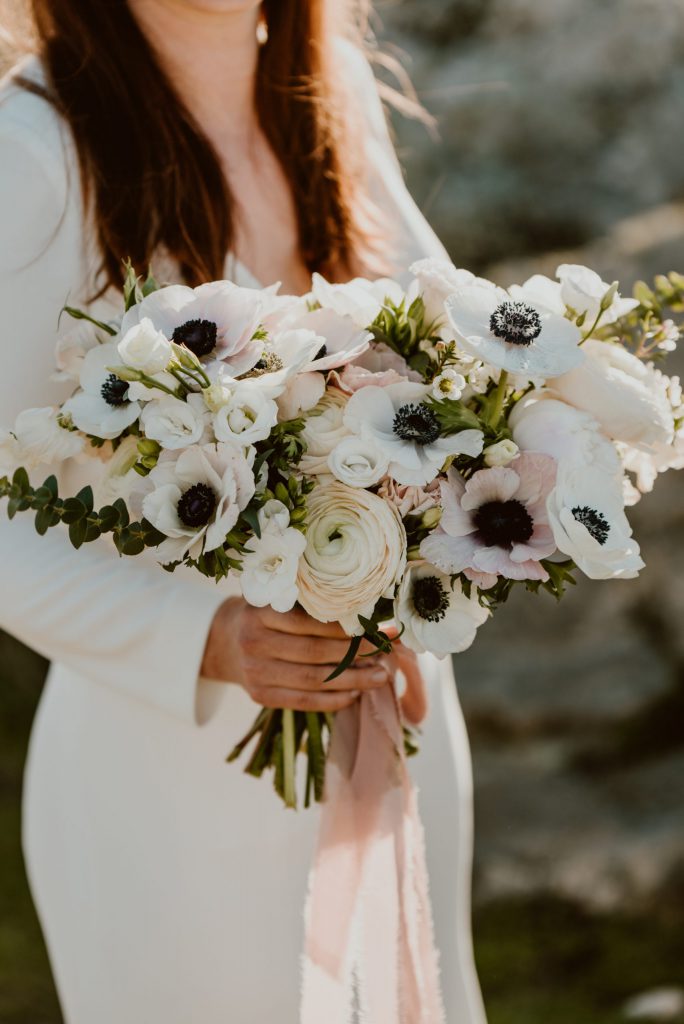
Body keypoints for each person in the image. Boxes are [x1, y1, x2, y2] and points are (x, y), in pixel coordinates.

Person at [0, 1, 487, 1020]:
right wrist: (207, 635)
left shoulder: (332, 96)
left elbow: (452, 361)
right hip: (169, 777)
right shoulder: (32, 149)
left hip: (388, 731)